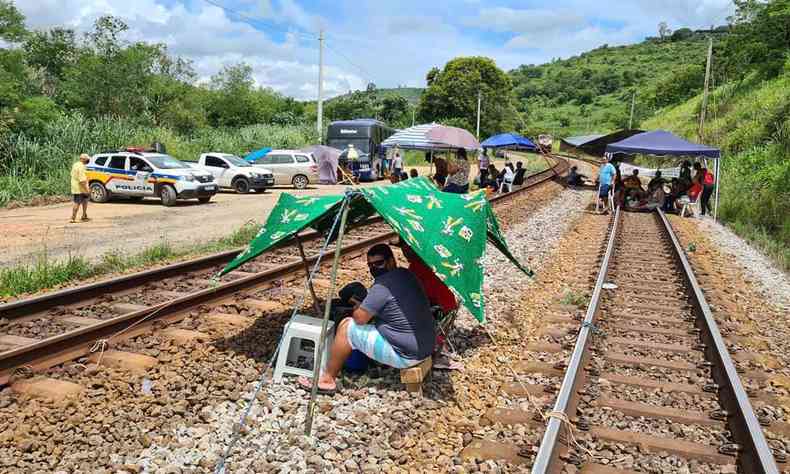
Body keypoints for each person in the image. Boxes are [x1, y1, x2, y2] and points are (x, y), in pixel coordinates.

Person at [298, 244, 435, 394]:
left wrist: (358, 307)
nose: (374, 268)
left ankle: (327, 380)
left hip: (407, 355)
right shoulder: (405, 274)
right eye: (370, 265)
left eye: (379, 263)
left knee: (346, 327)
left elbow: (360, 319)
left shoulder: (382, 286)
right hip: (426, 346)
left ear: (391, 261)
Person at [70, 153, 91, 223]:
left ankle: (84, 215)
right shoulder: (81, 167)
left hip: (75, 186)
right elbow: (82, 180)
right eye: (87, 159)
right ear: (83, 159)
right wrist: (87, 189)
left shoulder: (75, 164)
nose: (88, 160)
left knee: (85, 200)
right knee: (77, 202)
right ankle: (73, 218)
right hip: (80, 188)